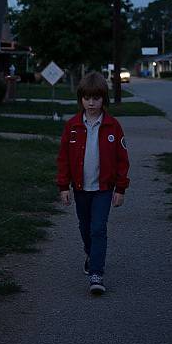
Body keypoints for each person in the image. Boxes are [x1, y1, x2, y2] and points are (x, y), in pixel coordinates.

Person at [56, 71, 130, 295]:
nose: (91, 103)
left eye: (96, 98)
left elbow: (122, 160)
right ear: (81, 99)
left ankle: (97, 273)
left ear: (103, 99)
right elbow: (63, 159)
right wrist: (63, 187)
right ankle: (90, 253)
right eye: (87, 98)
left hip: (103, 189)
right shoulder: (72, 127)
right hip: (80, 189)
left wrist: (120, 189)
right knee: (85, 227)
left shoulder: (113, 127)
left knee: (98, 229)